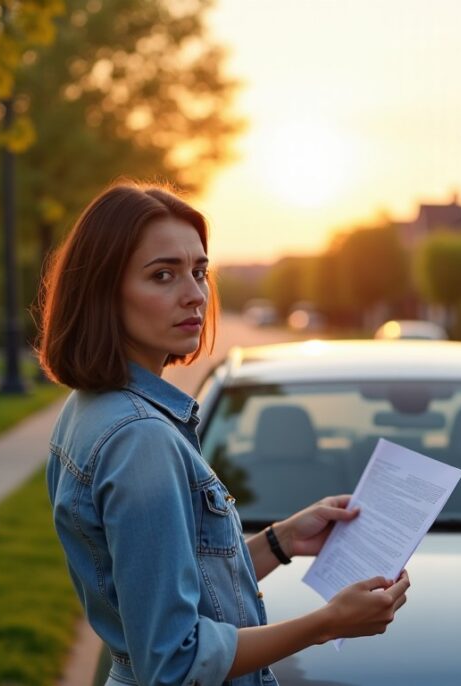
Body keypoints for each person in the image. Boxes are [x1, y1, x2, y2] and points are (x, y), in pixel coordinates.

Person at [37, 182, 410, 686]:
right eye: (163, 275)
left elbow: (176, 588)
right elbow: (174, 663)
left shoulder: (92, 408)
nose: (194, 294)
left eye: (199, 271)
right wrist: (326, 623)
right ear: (102, 290)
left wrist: (279, 541)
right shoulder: (139, 438)